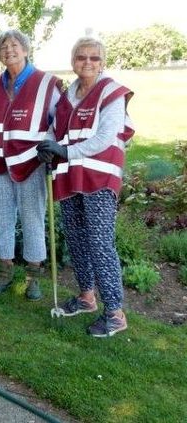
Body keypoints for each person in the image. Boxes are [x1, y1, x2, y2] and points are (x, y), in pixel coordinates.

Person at [37, 37, 134, 337]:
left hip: (99, 177)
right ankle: (86, 297)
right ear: (73, 60)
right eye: (81, 57)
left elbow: (106, 137)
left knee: (100, 242)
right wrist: (50, 147)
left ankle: (116, 313)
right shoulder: (69, 95)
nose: (87, 62)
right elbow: (57, 129)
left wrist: (66, 152)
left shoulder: (111, 92)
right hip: (71, 176)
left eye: (94, 58)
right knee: (77, 239)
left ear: (102, 61)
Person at [0, 30, 62, 301]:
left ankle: (33, 277)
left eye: (14, 45)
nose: (8, 50)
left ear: (26, 50)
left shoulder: (48, 84)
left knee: (32, 219)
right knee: (1, 216)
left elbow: (57, 123)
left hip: (31, 163)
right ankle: (4, 272)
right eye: (3, 46)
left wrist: (49, 146)